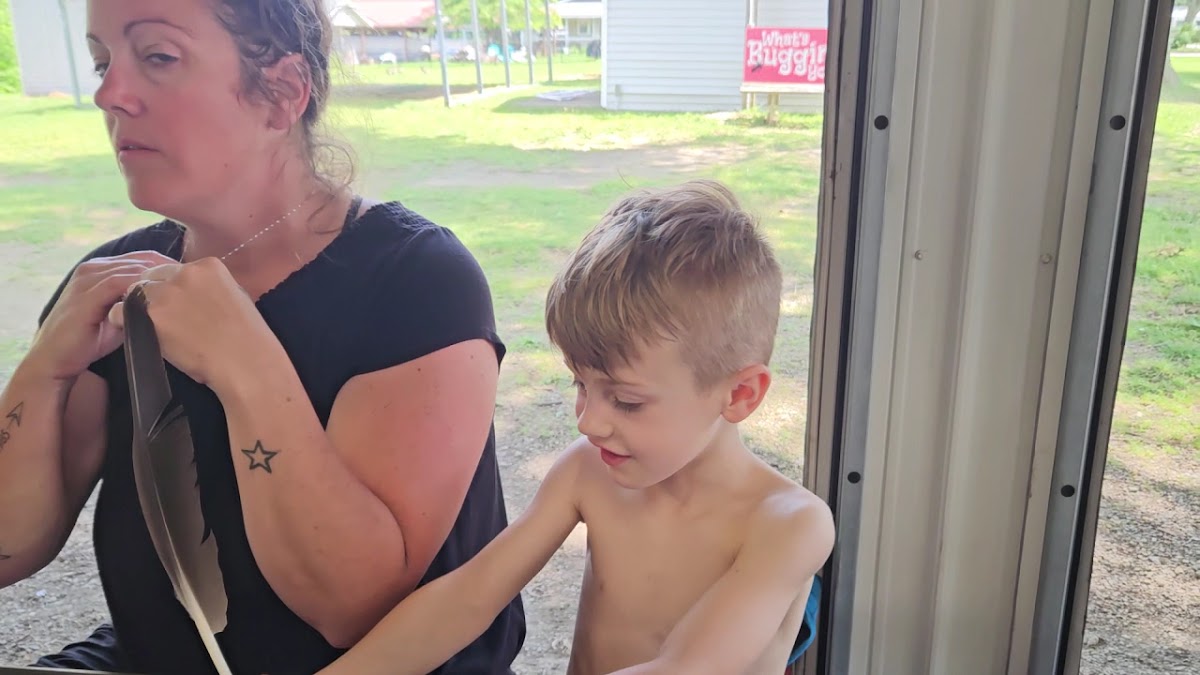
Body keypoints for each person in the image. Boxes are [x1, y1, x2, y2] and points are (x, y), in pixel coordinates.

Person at [0, 0, 524, 673]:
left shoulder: (414, 282)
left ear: (281, 93)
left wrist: (246, 367)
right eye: (103, 63)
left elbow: (349, 606)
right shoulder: (112, 285)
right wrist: (44, 370)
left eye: (157, 57)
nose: (110, 94)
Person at [317, 180, 837, 675]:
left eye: (626, 401)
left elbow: (688, 666)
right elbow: (468, 598)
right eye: (579, 384)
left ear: (740, 394)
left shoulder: (789, 526)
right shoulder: (589, 473)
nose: (588, 421)